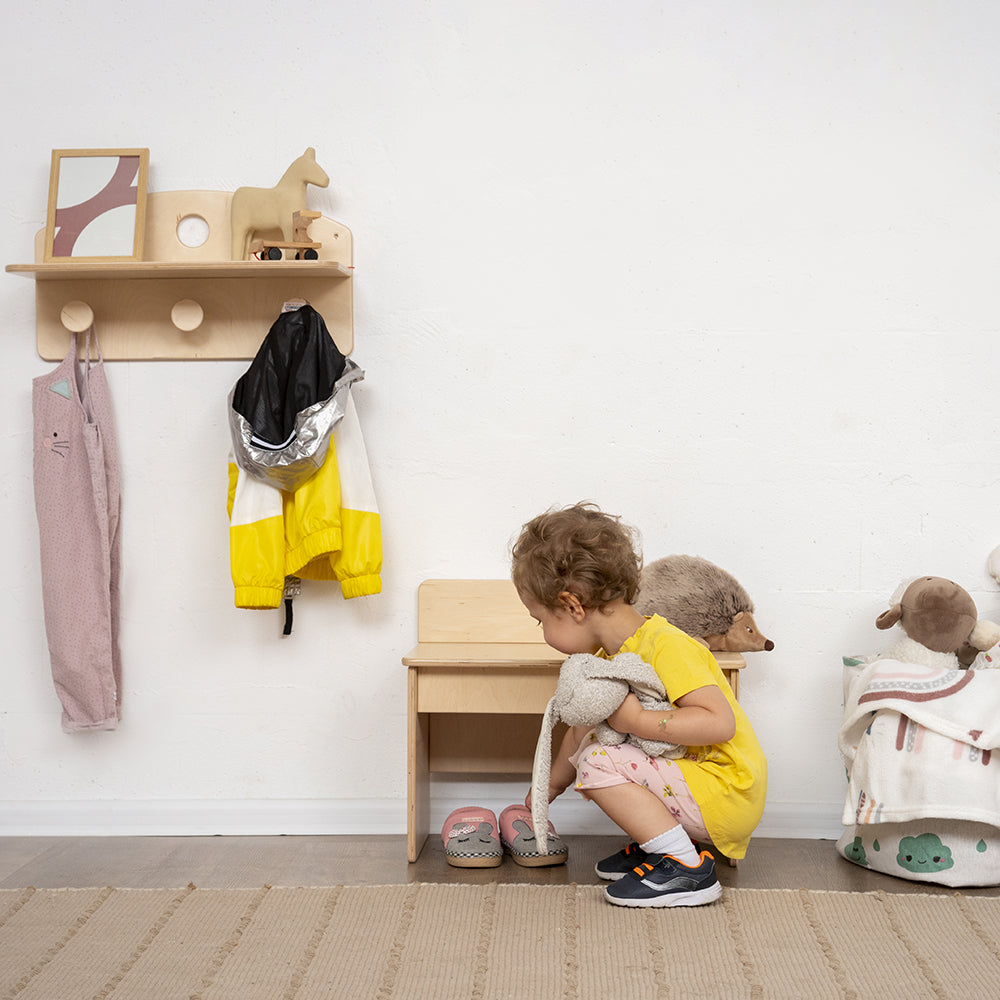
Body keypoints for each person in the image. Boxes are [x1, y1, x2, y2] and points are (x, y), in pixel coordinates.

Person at [511, 502, 767, 907]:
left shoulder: (666, 645)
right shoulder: (614, 660)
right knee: (596, 748)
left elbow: (719, 724)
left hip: (725, 791)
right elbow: (579, 732)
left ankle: (684, 866)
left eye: (541, 620)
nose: (543, 632)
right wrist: (550, 786)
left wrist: (639, 720)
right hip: (701, 787)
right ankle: (662, 844)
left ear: (572, 606)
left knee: (598, 760)